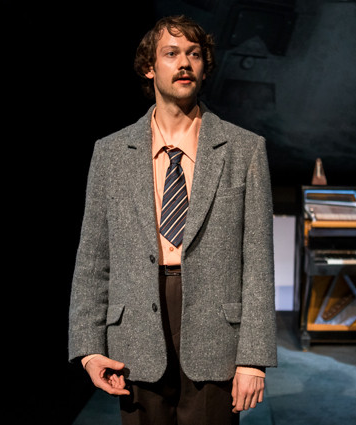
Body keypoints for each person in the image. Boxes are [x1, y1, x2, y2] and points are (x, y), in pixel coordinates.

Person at [68, 15, 277, 425]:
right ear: (149, 67)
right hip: (135, 331)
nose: (184, 63)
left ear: (205, 68)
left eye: (194, 55)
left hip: (215, 330)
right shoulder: (111, 153)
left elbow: (257, 262)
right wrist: (89, 348)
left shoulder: (244, 150)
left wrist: (253, 358)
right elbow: (93, 258)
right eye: (171, 53)